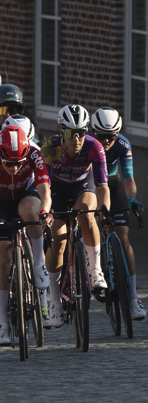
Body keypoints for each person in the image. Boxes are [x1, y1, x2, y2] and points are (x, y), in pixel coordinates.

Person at [0, 123, 52, 346]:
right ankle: (3, 324)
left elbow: (45, 191)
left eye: (20, 163)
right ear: (0, 154)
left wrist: (45, 211)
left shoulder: (35, 154)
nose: (15, 168)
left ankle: (38, 264)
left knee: (31, 212)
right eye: (9, 163)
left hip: (26, 195)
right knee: (2, 260)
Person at [41, 104, 109, 323]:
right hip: (56, 190)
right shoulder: (50, 148)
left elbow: (102, 186)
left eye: (82, 132)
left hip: (82, 185)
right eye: (72, 133)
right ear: (62, 132)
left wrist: (104, 210)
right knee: (58, 239)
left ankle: (96, 271)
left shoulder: (94, 146)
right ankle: (54, 300)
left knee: (87, 214)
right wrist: (45, 210)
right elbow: (43, 185)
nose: (77, 138)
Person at [90, 108, 145, 320]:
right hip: (90, 186)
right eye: (101, 136)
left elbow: (129, 178)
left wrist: (132, 198)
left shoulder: (122, 144)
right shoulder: (86, 143)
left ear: (118, 133)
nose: (105, 141)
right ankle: (92, 273)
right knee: (89, 228)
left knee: (123, 237)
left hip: (112, 184)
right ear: (93, 132)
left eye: (110, 137)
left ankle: (133, 298)